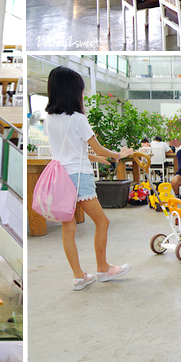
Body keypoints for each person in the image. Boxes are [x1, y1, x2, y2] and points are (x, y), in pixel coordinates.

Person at [45, 66, 133, 291]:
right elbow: (98, 147)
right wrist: (118, 155)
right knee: (102, 221)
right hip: (78, 176)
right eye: (81, 90)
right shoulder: (77, 118)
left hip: (60, 177)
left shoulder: (50, 118)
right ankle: (103, 269)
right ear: (72, 92)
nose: (82, 94)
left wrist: (97, 159)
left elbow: (73, 151)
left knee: (69, 228)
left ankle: (78, 277)